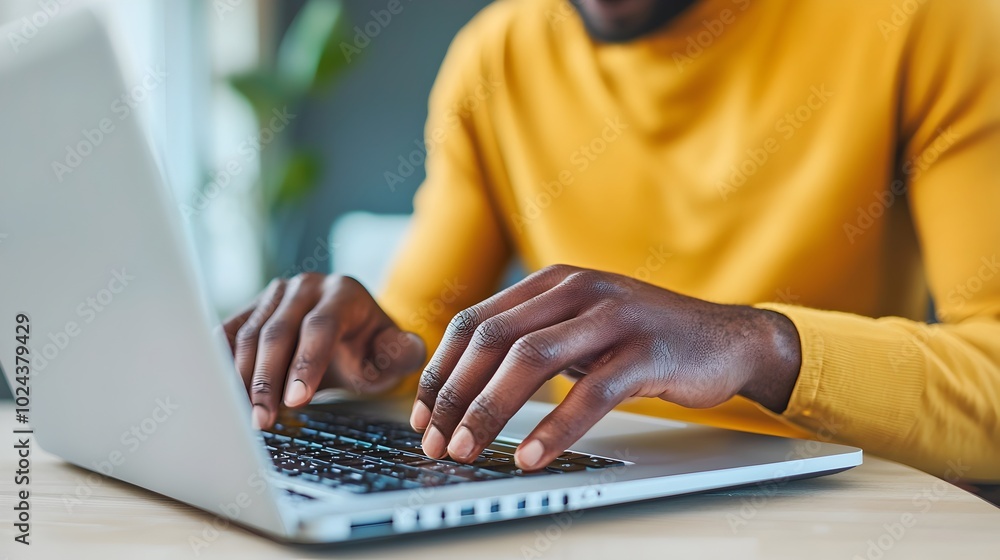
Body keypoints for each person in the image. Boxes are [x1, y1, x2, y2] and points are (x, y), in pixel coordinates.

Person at [223, 0, 1000, 483]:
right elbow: (421, 346)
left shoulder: (931, 19)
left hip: (832, 517)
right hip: (569, 502)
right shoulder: (496, 56)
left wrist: (760, 344)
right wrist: (368, 348)